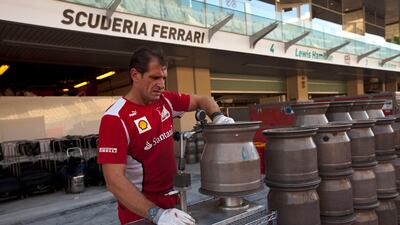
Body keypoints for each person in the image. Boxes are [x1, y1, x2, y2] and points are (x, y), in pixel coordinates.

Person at [97, 46, 234, 225]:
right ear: (135, 75)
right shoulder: (115, 119)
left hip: (174, 206)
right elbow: (114, 181)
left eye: (163, 78)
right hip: (141, 214)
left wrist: (218, 117)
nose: (161, 84)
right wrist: (157, 214)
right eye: (154, 77)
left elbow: (204, 100)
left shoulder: (165, 101)